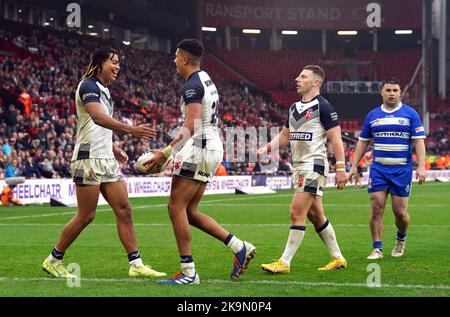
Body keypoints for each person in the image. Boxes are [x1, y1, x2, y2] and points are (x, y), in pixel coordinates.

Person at [42, 46, 166, 279]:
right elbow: (98, 117)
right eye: (114, 62)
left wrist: (113, 147)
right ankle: (53, 259)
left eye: (119, 62)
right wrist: (131, 130)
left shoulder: (104, 90)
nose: (118, 66)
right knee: (86, 215)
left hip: (105, 158)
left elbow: (95, 126)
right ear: (100, 63)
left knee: (124, 209)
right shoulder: (88, 85)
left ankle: (136, 264)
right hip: (88, 158)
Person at [145, 39, 256, 285]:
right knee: (189, 212)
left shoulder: (192, 85)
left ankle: (189, 273)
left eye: (176, 56)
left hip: (199, 146)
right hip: (211, 146)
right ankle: (239, 247)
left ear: (185, 59)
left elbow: (192, 124)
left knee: (175, 207)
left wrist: (165, 152)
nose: (174, 60)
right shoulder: (206, 78)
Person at [258, 65, 348, 273]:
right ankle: (338, 258)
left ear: (315, 82)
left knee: (296, 212)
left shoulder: (324, 107)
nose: (297, 79)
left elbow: (336, 139)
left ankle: (284, 262)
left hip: (313, 165)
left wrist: (341, 168)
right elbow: (285, 135)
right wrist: (268, 147)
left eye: (303, 76)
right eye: (298, 75)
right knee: (316, 216)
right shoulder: (293, 108)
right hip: (299, 167)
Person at [347, 77, 426, 259]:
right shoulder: (373, 116)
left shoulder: (410, 114)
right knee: (376, 207)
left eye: (395, 90)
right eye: (388, 90)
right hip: (379, 170)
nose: (392, 94)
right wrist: (353, 166)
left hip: (401, 170)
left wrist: (421, 166)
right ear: (381, 92)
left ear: (400, 93)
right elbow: (362, 143)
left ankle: (401, 238)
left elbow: (419, 142)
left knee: (400, 213)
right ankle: (377, 248)